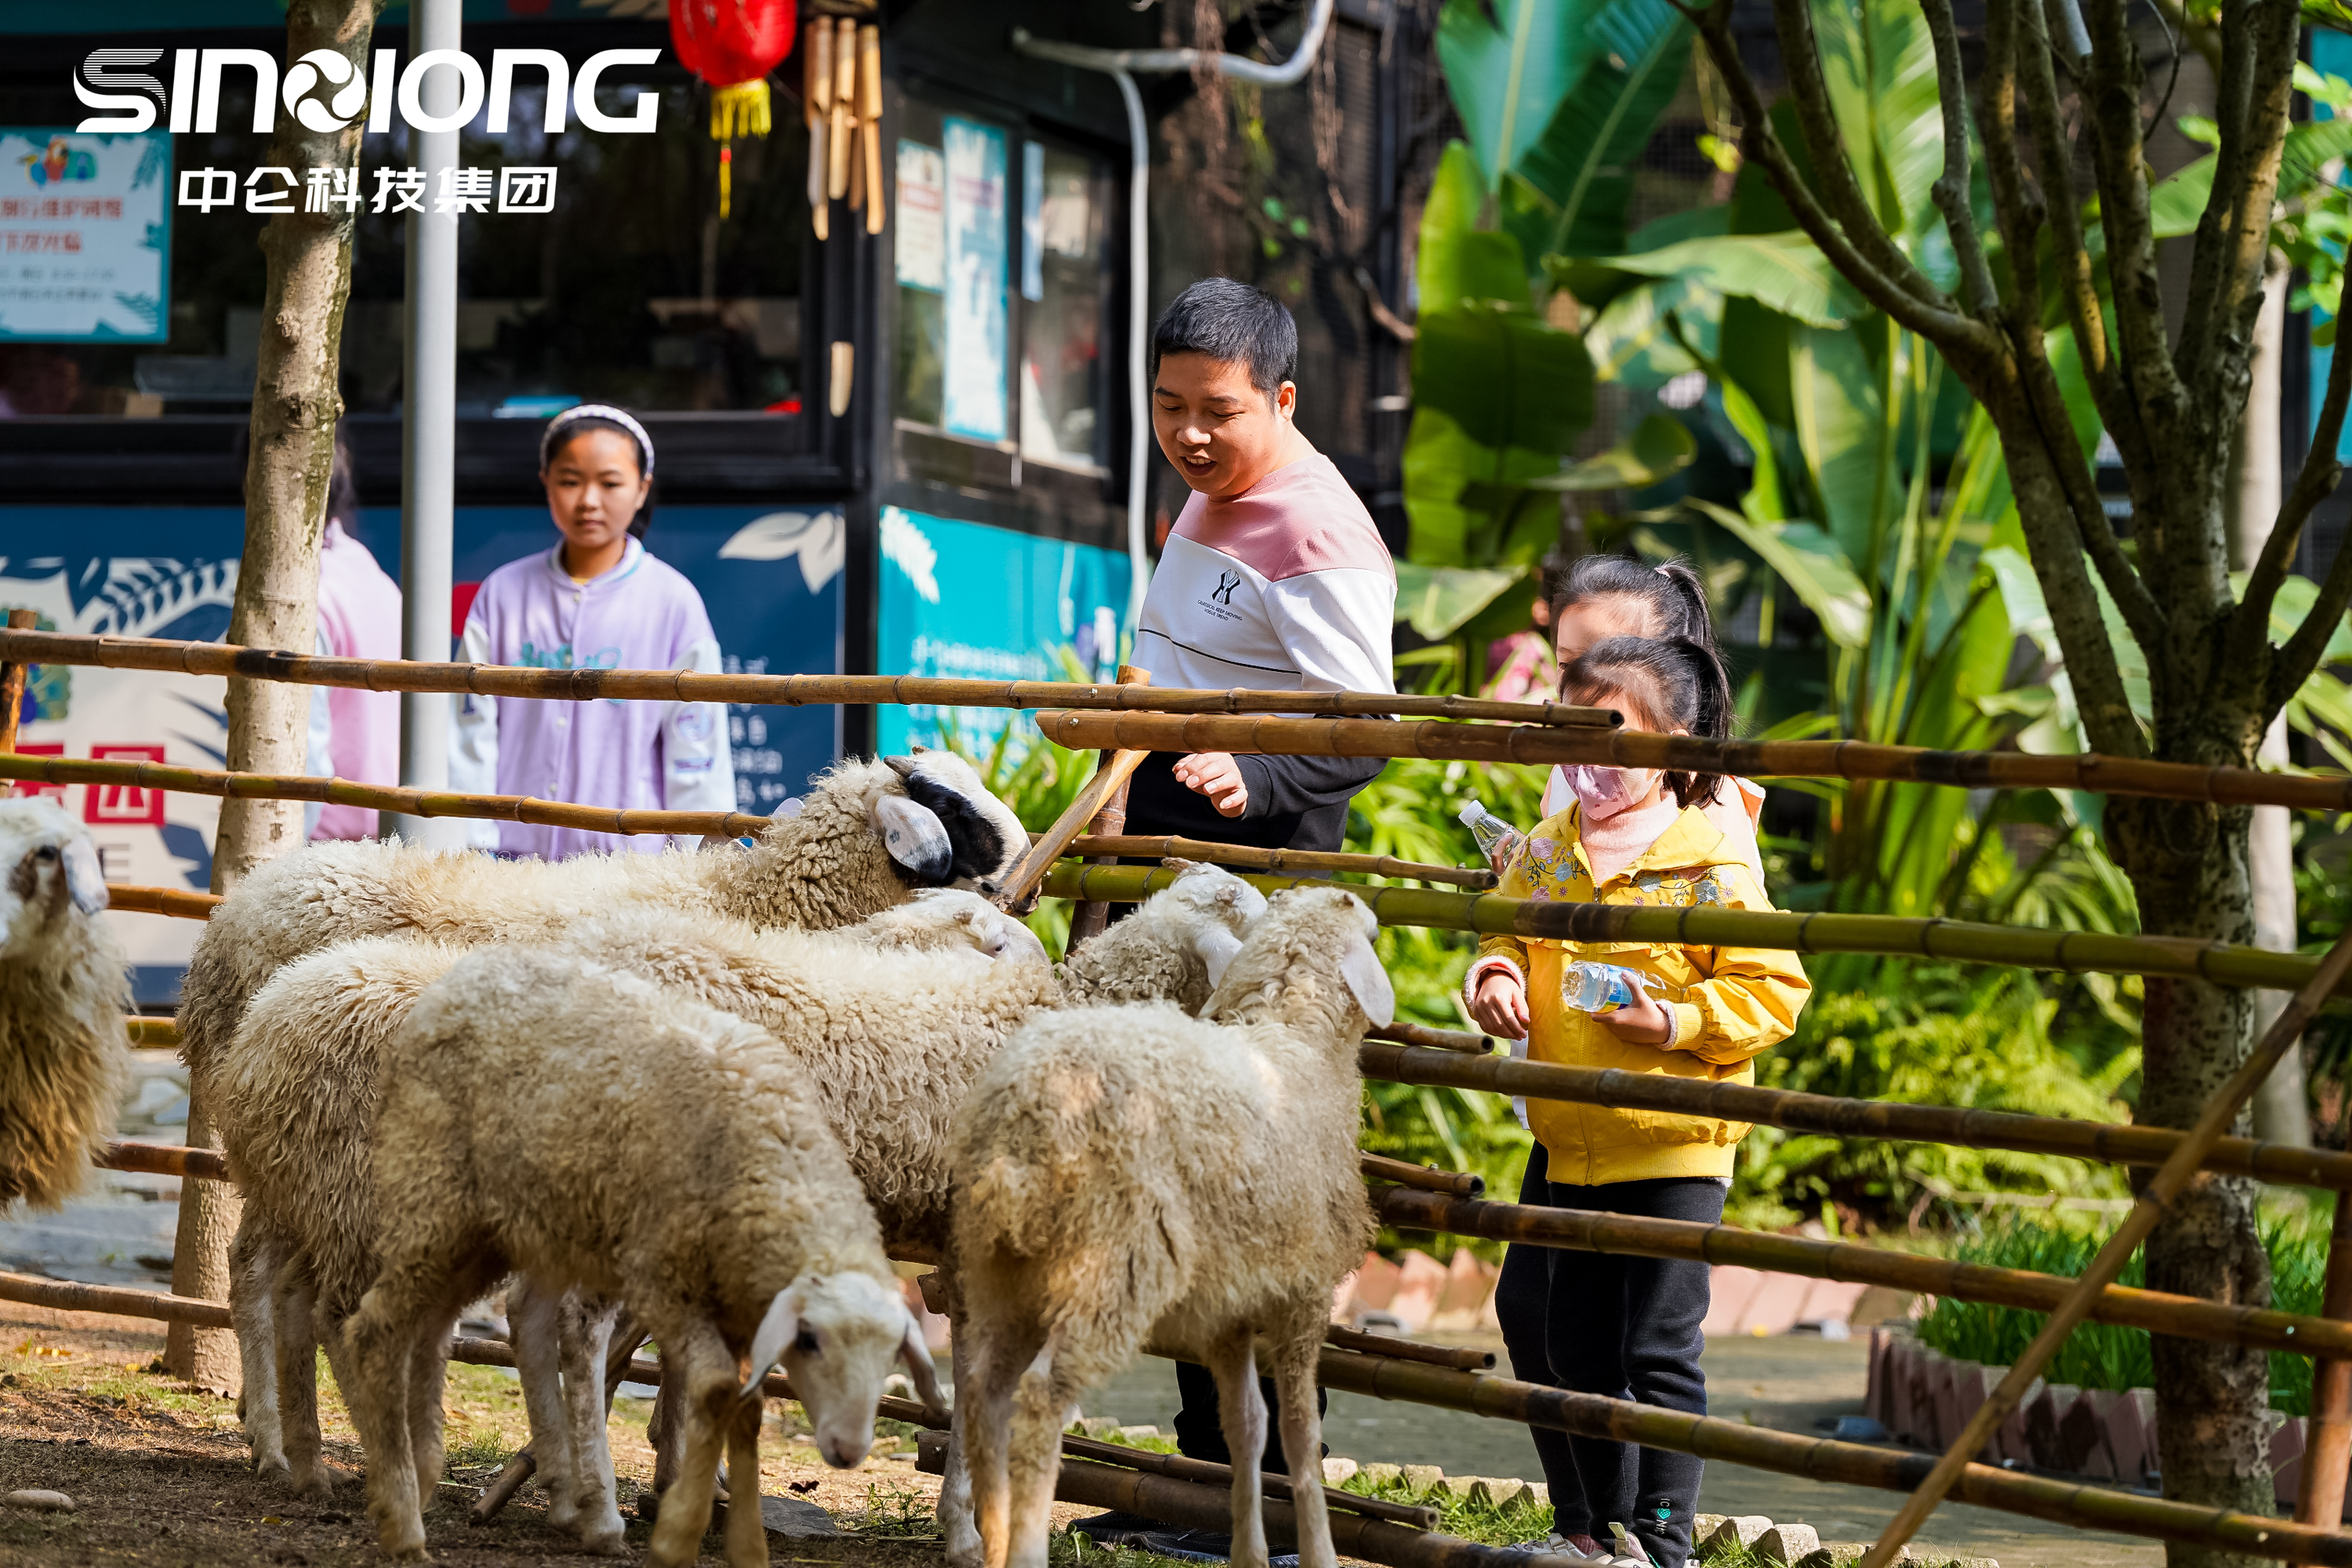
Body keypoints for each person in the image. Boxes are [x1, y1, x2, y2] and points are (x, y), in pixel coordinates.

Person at [1071, 277, 1396, 1563]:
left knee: (1240, 1179)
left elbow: (1364, 729)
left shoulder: (1319, 527)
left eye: (1217, 411)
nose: (1190, 434)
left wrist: (1257, 774)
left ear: (1282, 398)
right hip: (1173, 858)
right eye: (1169, 407)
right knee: (1168, 1157)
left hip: (1259, 877)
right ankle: (1208, 1483)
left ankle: (1247, 1489)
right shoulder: (1211, 497)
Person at [1465, 637, 1811, 1568]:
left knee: (1657, 1348)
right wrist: (1496, 976)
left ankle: (1664, 1537)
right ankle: (1605, 1531)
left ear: (1673, 745)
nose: (1588, 756)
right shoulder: (1547, 847)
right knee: (1573, 1345)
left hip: (1674, 1145)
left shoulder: (1713, 862)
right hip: (1569, 1143)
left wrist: (1678, 1019)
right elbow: (1503, 932)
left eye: (1612, 732)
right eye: (1572, 730)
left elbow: (1774, 991)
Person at [448, 404, 735, 859]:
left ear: (642, 489)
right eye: (570, 481)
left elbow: (696, 751)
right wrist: (469, 849)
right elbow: (469, 735)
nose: (588, 500)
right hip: (509, 867)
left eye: (610, 483)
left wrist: (701, 862)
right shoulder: (502, 593)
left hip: (631, 866)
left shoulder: (674, 602)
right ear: (545, 482)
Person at [303, 428, 404, 841]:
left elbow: (305, 748)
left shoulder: (303, 594)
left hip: (323, 848)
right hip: (389, 834)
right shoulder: (371, 574)